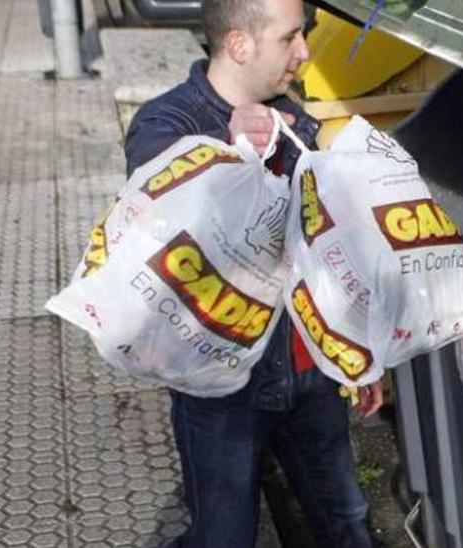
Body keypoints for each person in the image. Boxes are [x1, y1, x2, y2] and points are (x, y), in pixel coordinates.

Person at [123, 0, 382, 546]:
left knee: (347, 522)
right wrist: (236, 150)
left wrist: (357, 348)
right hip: (221, 392)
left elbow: (319, 245)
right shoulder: (166, 123)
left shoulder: (296, 118)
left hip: (309, 375)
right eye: (291, 37)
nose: (305, 51)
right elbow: (173, 205)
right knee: (223, 537)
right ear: (240, 44)